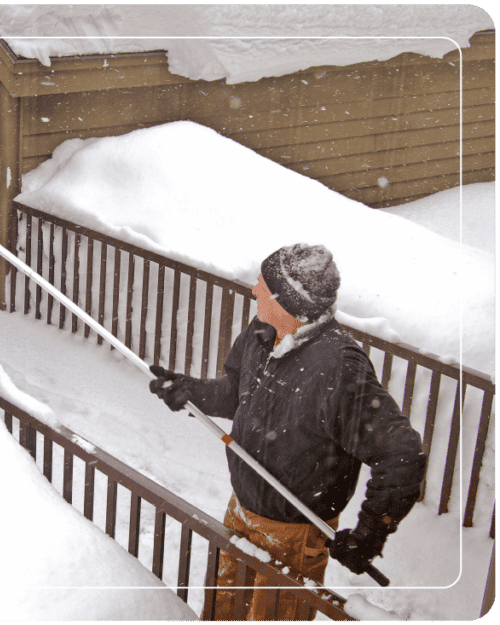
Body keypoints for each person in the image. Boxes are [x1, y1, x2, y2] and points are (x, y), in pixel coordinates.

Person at [149, 243, 426, 621]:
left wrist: (368, 535)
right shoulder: (263, 331)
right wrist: (191, 391)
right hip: (242, 511)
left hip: (295, 537)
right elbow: (237, 392)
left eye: (263, 285)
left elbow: (402, 455)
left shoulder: (339, 368)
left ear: (289, 300)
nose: (254, 291)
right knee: (220, 614)